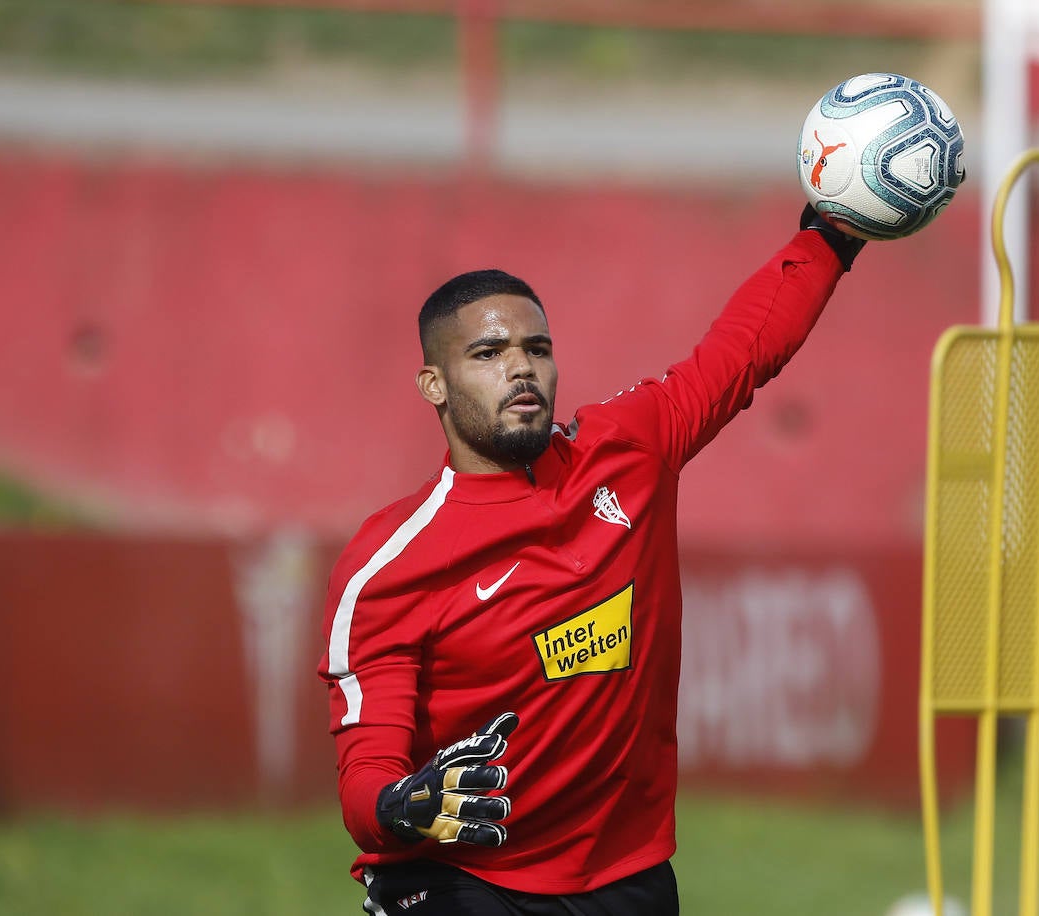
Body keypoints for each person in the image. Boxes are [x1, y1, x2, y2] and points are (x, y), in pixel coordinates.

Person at [317, 205, 867, 915]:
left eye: (536, 348)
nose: (520, 366)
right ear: (434, 385)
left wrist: (830, 236)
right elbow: (366, 778)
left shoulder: (627, 450)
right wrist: (402, 805)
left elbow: (744, 350)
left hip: (627, 876)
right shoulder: (390, 564)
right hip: (464, 881)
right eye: (487, 354)